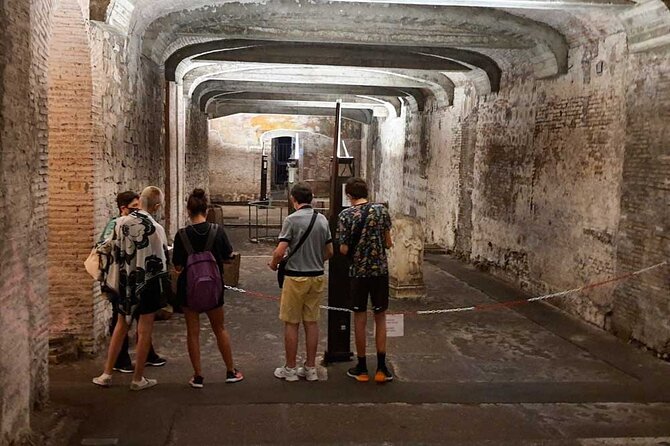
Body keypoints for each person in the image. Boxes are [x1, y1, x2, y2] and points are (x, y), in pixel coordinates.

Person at [93, 186, 170, 390]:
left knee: (120, 325)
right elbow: (163, 259)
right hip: (147, 284)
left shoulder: (120, 223)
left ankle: (106, 374)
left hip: (124, 281)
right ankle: (138, 379)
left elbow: (110, 250)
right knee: (144, 331)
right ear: (157, 206)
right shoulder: (156, 229)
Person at [172, 189, 243, 388]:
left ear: (188, 210)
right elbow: (228, 255)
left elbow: (177, 265)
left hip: (189, 288)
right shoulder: (216, 231)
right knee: (219, 329)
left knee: (192, 332)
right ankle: (230, 371)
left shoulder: (181, 235)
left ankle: (198, 376)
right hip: (213, 287)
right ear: (207, 209)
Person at [269, 183, 333, 382]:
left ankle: (290, 368)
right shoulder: (322, 220)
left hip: (296, 276)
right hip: (317, 276)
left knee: (291, 322)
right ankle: (310, 368)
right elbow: (329, 251)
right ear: (311, 198)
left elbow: (280, 251)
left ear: (293, 199)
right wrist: (314, 259)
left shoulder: (292, 220)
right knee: (312, 322)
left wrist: (273, 265)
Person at [338, 177, 393, 383]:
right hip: (379, 271)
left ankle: (361, 368)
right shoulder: (381, 211)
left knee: (360, 319)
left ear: (349, 195)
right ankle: (381, 368)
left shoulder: (346, 215)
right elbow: (388, 242)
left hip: (358, 273)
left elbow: (343, 249)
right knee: (381, 317)